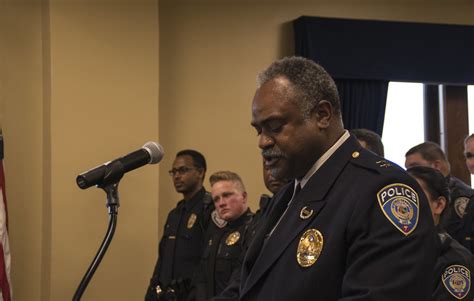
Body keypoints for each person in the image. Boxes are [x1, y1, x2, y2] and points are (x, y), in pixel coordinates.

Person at [241, 56, 436, 300]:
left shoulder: (381, 190)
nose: (263, 141)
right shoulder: (287, 194)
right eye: (259, 130)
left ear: (322, 115)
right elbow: (245, 288)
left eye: (275, 126)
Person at [145, 150, 213, 301]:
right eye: (174, 171)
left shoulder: (209, 209)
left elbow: (208, 262)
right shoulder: (174, 214)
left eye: (183, 170)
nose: (176, 176)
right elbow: (162, 259)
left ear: (200, 172)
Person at [407, 166, 474, 300]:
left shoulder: (453, 260)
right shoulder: (391, 248)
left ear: (438, 205)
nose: (406, 205)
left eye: (414, 197)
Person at [190, 171, 254, 301]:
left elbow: (241, 283)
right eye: (216, 199)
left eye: (226, 195)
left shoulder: (254, 230)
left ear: (244, 197)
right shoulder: (215, 235)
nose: (221, 203)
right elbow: (200, 281)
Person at [405, 142, 474, 250]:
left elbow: (460, 238)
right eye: (407, 168)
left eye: (414, 166)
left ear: (436, 165)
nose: (409, 173)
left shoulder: (461, 196)